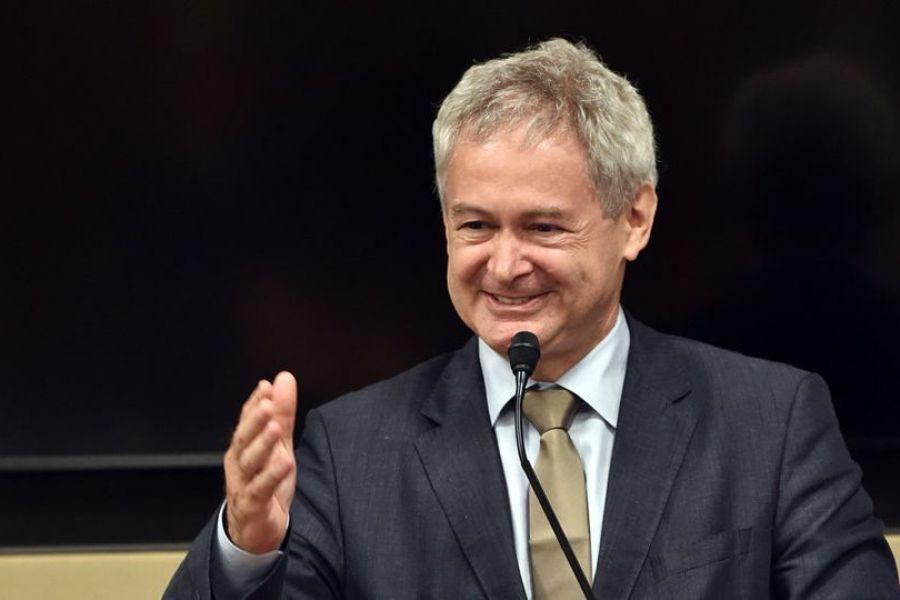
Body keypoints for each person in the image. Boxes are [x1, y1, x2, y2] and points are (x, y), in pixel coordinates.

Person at [165, 39, 899, 599]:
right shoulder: (349, 450)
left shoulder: (771, 422)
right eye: (476, 226)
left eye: (543, 228)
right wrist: (248, 550)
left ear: (635, 218)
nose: (505, 264)